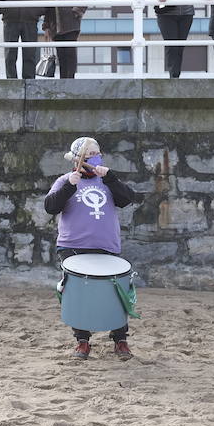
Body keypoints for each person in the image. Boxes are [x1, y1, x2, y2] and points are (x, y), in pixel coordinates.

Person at [44, 136, 141, 361]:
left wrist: (111, 179)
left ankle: (120, 340)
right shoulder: (65, 180)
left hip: (106, 245)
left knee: (117, 292)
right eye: (88, 156)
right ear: (77, 159)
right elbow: (50, 207)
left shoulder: (107, 181)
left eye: (96, 154)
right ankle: (82, 341)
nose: (93, 158)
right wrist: (70, 185)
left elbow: (127, 199)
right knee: (79, 293)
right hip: (73, 246)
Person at [44, 0, 87, 79]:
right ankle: (63, 82)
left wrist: (75, 12)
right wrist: (46, 27)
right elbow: (47, 7)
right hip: (55, 26)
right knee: (61, 56)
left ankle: (70, 81)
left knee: (70, 54)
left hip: (71, 24)